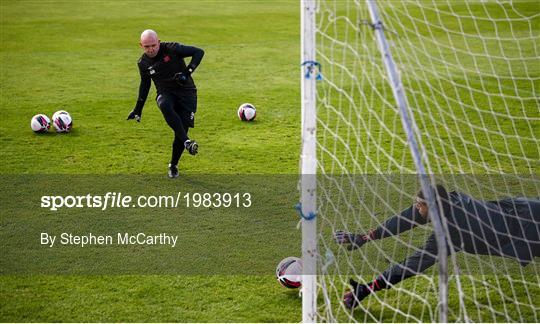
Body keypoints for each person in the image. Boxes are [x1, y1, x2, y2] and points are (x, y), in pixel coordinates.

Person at [334, 184, 540, 310]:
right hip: (524, 207)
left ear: (433, 206)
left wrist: (369, 288)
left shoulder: (451, 230)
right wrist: (364, 238)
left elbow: (413, 263)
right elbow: (406, 218)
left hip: (529, 229)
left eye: (420, 204)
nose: (416, 207)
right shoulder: (448, 200)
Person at [127, 29, 204, 178]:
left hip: (187, 94)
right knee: (164, 104)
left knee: (180, 132)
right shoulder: (143, 63)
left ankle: (173, 164)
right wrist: (138, 109)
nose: (151, 49)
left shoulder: (173, 49)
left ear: (159, 42)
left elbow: (199, 52)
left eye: (153, 45)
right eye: (147, 46)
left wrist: (186, 73)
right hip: (166, 93)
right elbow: (145, 85)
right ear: (141, 45)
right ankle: (188, 142)